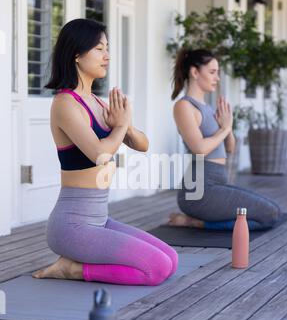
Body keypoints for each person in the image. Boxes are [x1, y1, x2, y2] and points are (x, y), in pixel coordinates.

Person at [33, 18, 178, 285]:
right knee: (155, 269)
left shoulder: (99, 103)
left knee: (171, 259)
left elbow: (142, 145)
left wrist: (126, 127)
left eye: (107, 48)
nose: (107, 56)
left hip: (100, 219)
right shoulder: (65, 103)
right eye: (99, 49)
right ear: (77, 53)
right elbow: (100, 154)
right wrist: (120, 126)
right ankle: (70, 269)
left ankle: (76, 265)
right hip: (72, 227)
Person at [168, 48, 282, 231]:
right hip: (198, 192)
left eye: (217, 73)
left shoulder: (208, 107)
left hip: (218, 184)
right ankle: (196, 222)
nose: (217, 78)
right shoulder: (184, 106)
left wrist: (227, 129)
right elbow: (199, 148)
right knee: (270, 214)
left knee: (274, 210)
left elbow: (230, 148)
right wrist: (225, 128)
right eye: (212, 72)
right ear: (195, 72)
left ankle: (196, 221)